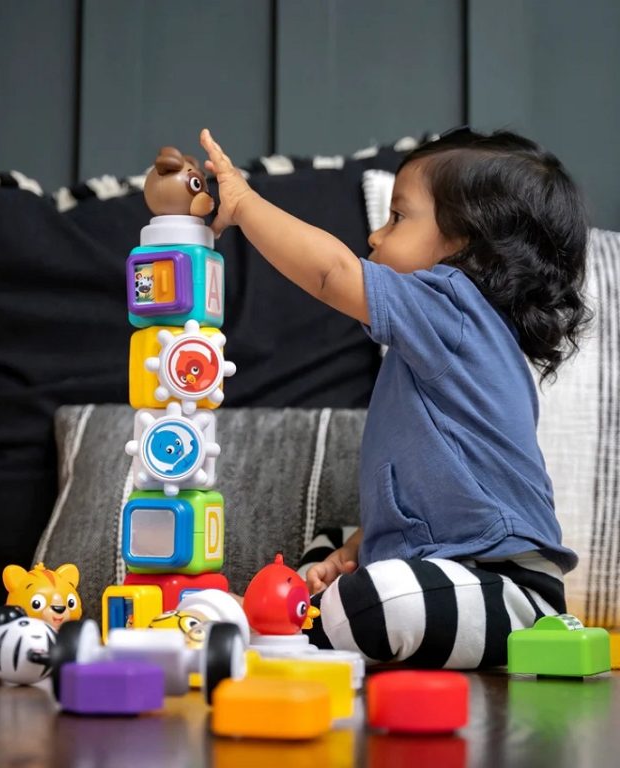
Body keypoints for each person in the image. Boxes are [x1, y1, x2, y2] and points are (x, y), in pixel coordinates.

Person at [200, 126, 591, 668]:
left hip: (506, 585)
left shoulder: (453, 308)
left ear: (466, 244)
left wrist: (245, 204)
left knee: (378, 602)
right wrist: (350, 552)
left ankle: (296, 627)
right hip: (443, 570)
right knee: (332, 541)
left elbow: (331, 272)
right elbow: (428, 496)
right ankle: (317, 611)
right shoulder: (440, 345)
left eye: (398, 217)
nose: (376, 236)